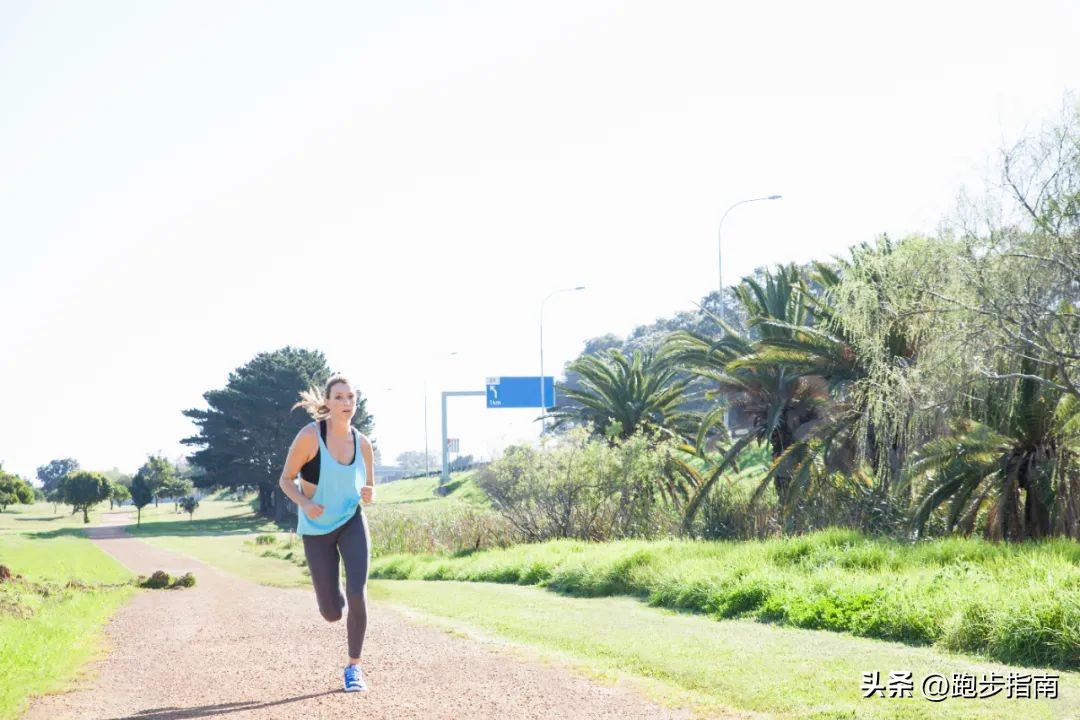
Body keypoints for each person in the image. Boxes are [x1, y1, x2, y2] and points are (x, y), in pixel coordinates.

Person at [278, 375, 375, 693]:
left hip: (351, 521)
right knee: (332, 612)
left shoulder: (363, 444)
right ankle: (336, 601)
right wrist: (305, 503)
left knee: (359, 592)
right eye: (340, 398)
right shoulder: (309, 437)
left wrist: (370, 493)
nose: (347, 403)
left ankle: (354, 668)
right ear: (328, 403)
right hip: (317, 530)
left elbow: (369, 486)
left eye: (351, 397)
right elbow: (286, 480)